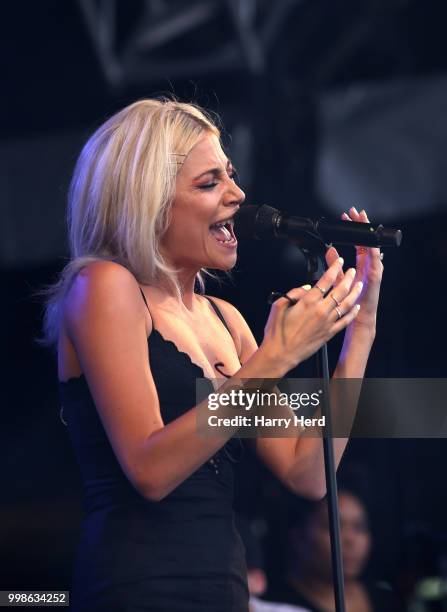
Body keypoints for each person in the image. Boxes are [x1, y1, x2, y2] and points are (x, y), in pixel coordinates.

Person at [41, 98, 383, 611]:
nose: (238, 196)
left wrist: (360, 332)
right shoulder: (105, 287)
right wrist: (275, 357)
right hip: (138, 587)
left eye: (231, 175)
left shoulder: (224, 319)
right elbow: (150, 470)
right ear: (148, 202)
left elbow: (308, 474)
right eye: (209, 184)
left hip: (223, 587)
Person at [271, 488, 401, 612]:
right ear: (299, 536)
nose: (350, 540)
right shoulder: (275, 605)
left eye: (359, 527)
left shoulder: (387, 600)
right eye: (333, 526)